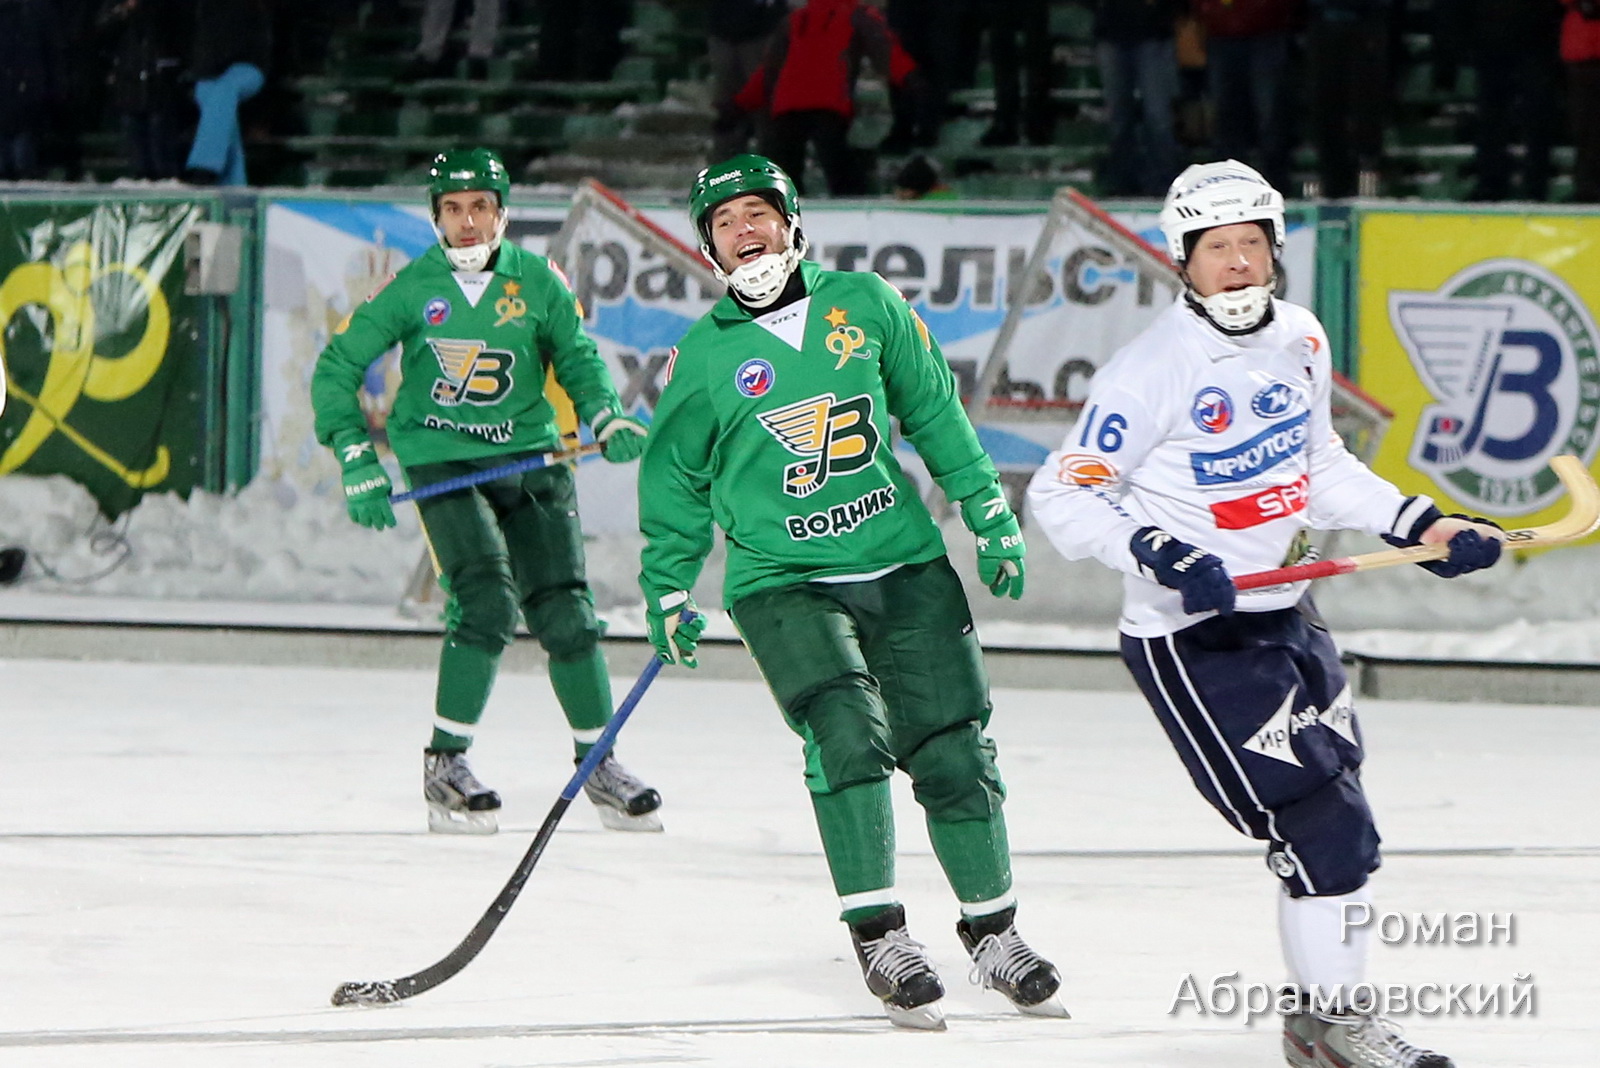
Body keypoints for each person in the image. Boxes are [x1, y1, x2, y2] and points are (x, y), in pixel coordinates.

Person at [1026, 160, 1504, 1068]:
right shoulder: (1152, 369)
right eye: (1217, 248)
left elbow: (1318, 463)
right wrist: (1160, 551)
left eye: (1252, 242)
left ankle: (1320, 1023)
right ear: (1183, 260)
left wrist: (1423, 522)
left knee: (1342, 822)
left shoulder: (1299, 337)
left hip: (1289, 612)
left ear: (1276, 248)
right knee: (1317, 823)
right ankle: (1335, 1027)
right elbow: (1065, 492)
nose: (1239, 262)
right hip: (1196, 638)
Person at [636, 154, 1065, 1030]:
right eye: (725, 222)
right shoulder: (705, 356)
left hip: (902, 563)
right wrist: (668, 585)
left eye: (758, 213)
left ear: (792, 223)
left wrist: (986, 507)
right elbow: (674, 478)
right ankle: (880, 935)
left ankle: (994, 934)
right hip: (782, 580)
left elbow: (933, 409)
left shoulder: (866, 303)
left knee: (954, 750)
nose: (745, 232)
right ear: (709, 247)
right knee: (846, 733)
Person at [310, 148, 663, 836]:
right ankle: (445, 765)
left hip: (531, 457)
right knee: (486, 603)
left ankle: (599, 764)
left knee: (568, 612)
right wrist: (355, 455)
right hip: (444, 463)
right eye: (453, 208)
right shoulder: (413, 287)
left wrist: (607, 415)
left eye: (480, 207)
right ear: (436, 217)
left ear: (502, 213)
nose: (467, 222)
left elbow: (578, 358)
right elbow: (336, 368)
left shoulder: (539, 280)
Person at [734, 0, 923, 196]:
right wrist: (910, 77)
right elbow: (885, 51)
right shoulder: (857, 15)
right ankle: (853, 207)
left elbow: (768, 71)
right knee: (839, 169)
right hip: (830, 102)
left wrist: (740, 104)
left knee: (784, 173)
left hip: (788, 104)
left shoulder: (796, 19)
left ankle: (786, 207)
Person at [184, 0, 271, 186]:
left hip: (248, 66)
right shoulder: (203, 7)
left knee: (224, 90)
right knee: (208, 94)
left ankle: (205, 167)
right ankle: (234, 183)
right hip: (211, 71)